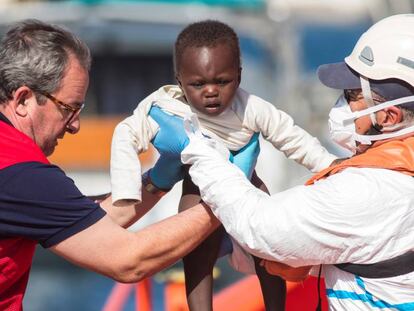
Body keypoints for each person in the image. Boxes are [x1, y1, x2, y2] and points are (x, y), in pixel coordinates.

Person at [180, 14, 414, 310]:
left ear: (388, 116)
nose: (340, 103)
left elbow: (260, 227)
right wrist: (233, 244)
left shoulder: (368, 190)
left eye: (352, 95)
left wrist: (196, 146)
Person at [0, 19, 230, 311]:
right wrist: (230, 197)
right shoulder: (21, 172)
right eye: (69, 109)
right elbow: (128, 261)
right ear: (22, 100)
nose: (75, 126)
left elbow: (83, 222)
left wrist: (157, 182)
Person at [110, 20, 337, 310]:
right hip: (200, 188)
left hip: (248, 183)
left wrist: (330, 165)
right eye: (198, 84)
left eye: (222, 81)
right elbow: (125, 134)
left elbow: (292, 138)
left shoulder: (252, 107)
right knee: (197, 257)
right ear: (180, 81)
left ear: (239, 76)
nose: (211, 91)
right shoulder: (165, 106)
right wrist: (127, 190)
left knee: (269, 249)